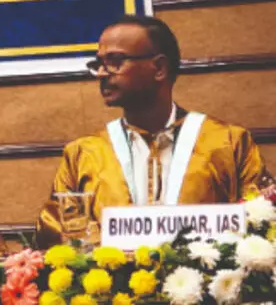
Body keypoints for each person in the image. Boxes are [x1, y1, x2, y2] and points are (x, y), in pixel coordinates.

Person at [36, 16, 268, 246]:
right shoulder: (83, 154)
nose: (103, 73)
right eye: (99, 64)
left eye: (115, 61)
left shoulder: (228, 143)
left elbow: (262, 223)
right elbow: (56, 229)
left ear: (159, 68)